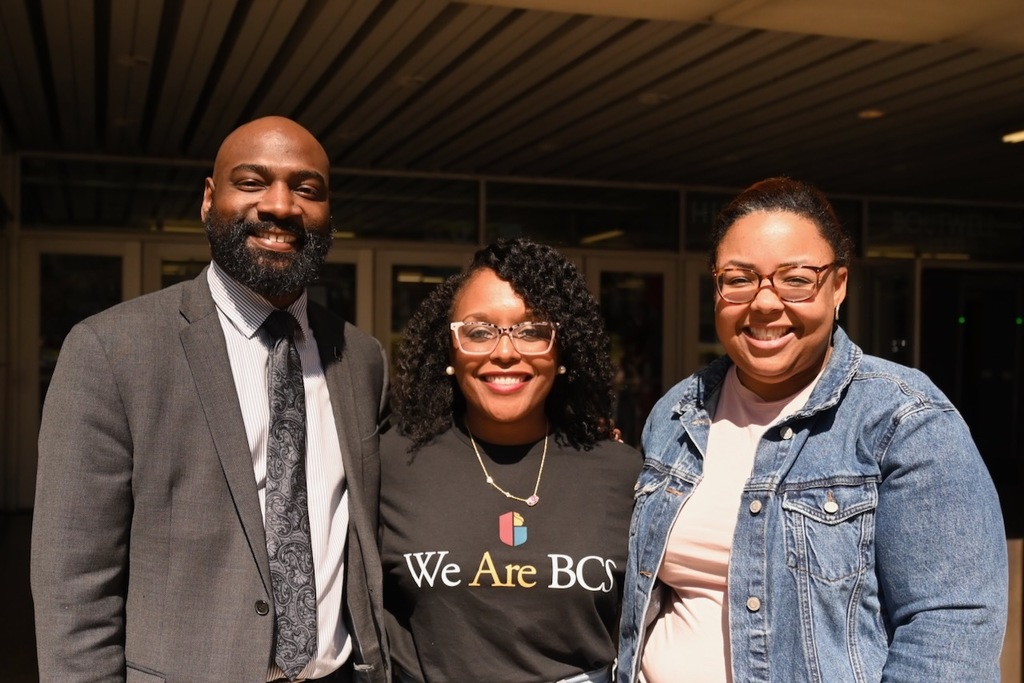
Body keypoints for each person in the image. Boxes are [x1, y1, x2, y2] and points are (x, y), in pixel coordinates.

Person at [31, 116, 390, 683]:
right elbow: (73, 587)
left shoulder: (362, 358)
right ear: (207, 199)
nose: (281, 206)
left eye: (306, 188)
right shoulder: (110, 349)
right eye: (252, 182)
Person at [617, 177, 1008, 683]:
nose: (764, 303)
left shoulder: (905, 422)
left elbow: (951, 629)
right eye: (739, 278)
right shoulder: (677, 411)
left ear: (838, 285)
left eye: (796, 278)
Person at [379, 238, 642, 682]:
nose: (504, 352)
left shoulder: (622, 474)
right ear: (450, 349)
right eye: (479, 331)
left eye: (531, 330)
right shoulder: (390, 465)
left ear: (562, 352)